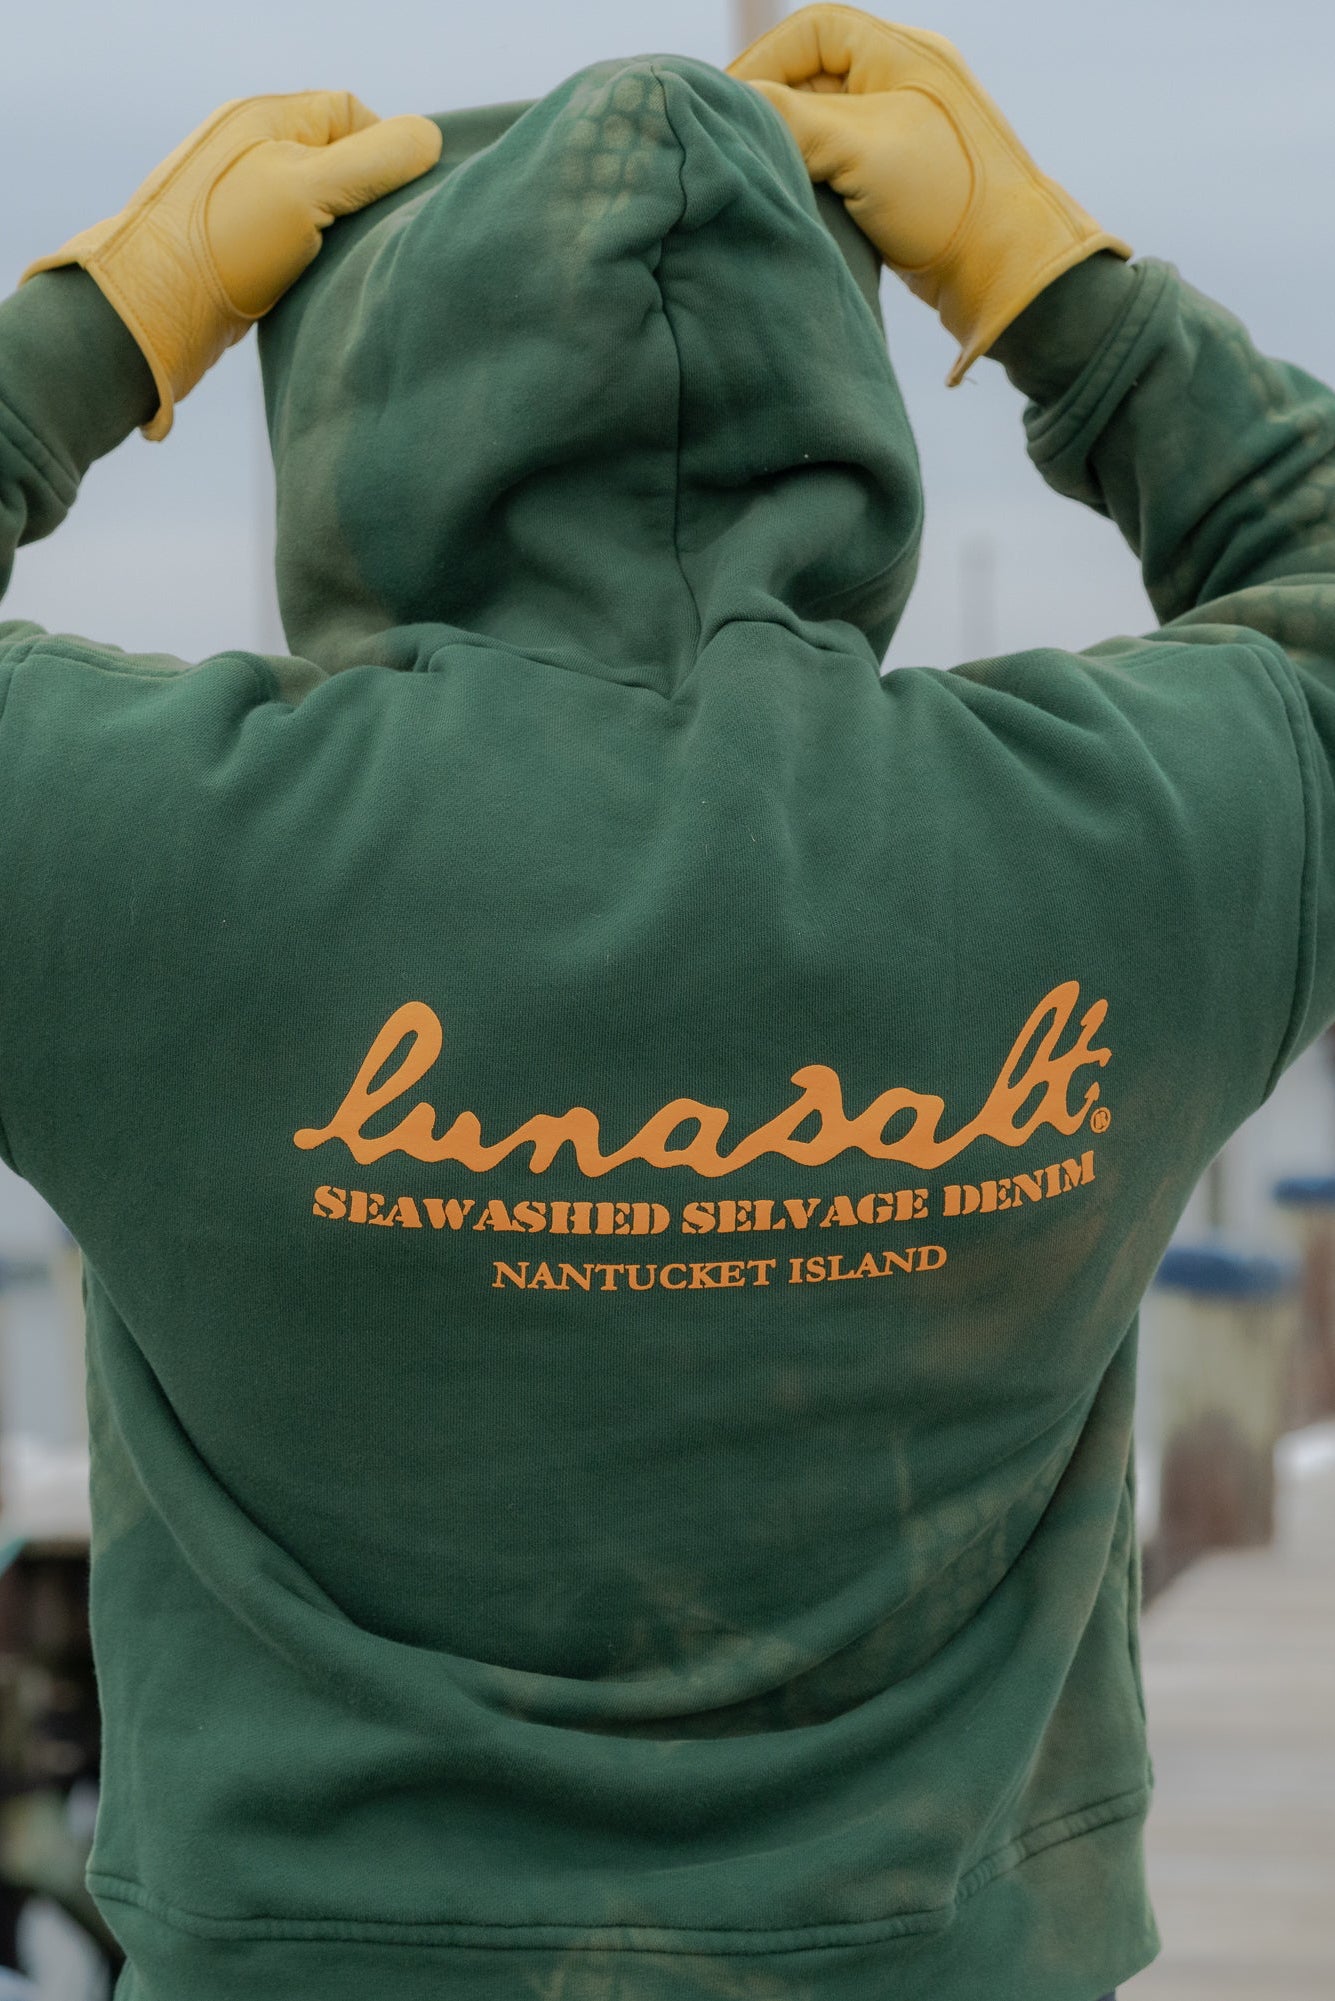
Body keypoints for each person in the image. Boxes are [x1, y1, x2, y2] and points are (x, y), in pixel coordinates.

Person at [0, 1, 1327, 1993]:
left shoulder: (145, 855)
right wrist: (1072, 300)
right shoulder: (1112, 842)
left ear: (362, 408)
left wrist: (94, 334)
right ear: (842, 404)